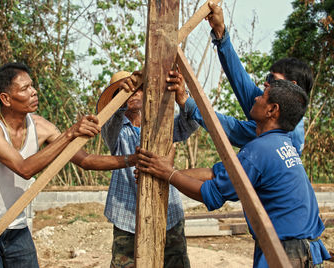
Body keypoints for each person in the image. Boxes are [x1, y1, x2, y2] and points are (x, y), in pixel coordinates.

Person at [135, 79, 331, 267]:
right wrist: (162, 170)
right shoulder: (282, 144)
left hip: (286, 252)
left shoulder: (260, 150)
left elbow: (211, 194)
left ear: (272, 110)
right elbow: (215, 173)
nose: (256, 98)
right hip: (305, 249)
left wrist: (168, 174)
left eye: (262, 96)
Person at [0, 63, 138, 268]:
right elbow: (24, 169)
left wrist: (132, 159)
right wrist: (69, 133)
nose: (34, 92)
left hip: (15, 224)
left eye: (32, 86)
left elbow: (85, 160)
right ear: (6, 99)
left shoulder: (40, 126)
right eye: (25, 88)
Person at [178, 1, 314, 156]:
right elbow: (241, 81)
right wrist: (220, 32)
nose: (265, 83)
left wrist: (186, 101)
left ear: (292, 85)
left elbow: (233, 129)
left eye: (272, 78)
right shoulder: (273, 108)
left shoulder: (283, 127)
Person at [98, 70, 199, 267]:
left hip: (167, 211)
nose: (134, 94)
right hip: (126, 217)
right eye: (127, 92)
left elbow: (190, 124)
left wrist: (182, 97)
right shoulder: (115, 129)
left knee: (176, 262)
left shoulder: (161, 125)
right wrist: (120, 101)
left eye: (138, 89)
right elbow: (110, 131)